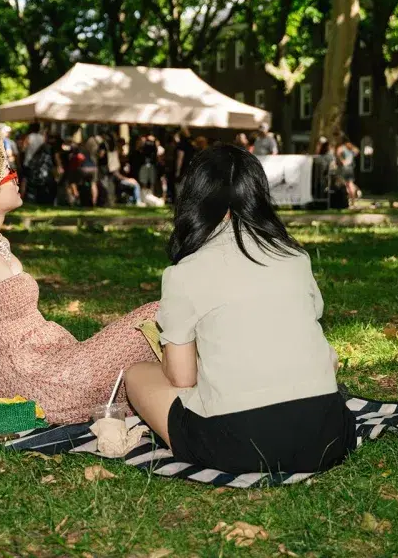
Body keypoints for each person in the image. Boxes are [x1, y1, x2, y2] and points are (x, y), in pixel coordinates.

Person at [124, 145, 355, 474]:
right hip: (327, 436)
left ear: (194, 199)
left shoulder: (185, 273)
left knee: (136, 375)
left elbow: (182, 377)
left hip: (241, 445)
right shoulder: (295, 258)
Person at [0, 140, 159, 428]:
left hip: (56, 360)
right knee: (156, 316)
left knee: (157, 335)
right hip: (32, 377)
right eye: (9, 175)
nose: (17, 178)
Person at [336, 137, 360, 203]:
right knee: (350, 184)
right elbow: (357, 151)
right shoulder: (351, 147)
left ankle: (347, 199)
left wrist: (342, 160)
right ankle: (353, 200)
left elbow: (338, 153)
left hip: (344, 167)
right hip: (350, 167)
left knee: (344, 184)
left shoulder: (342, 147)